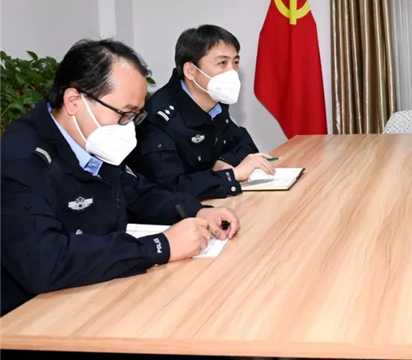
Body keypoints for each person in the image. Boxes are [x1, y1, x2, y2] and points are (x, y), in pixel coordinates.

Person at [1, 39, 240, 318]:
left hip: (98, 294)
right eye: (124, 114)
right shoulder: (19, 160)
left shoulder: (89, 136)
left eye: (135, 116)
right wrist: (159, 246)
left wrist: (197, 211)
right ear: (74, 101)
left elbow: (136, 192)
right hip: (32, 318)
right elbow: (45, 261)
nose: (128, 128)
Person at [130, 25, 275, 200]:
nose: (232, 72)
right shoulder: (158, 118)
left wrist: (221, 162)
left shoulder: (217, 103)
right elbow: (168, 187)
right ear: (190, 71)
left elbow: (245, 147)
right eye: (222, 63)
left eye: (235, 62)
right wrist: (231, 175)